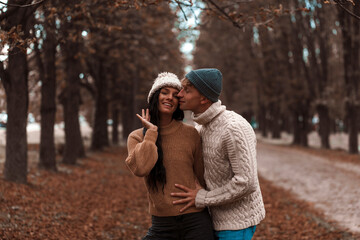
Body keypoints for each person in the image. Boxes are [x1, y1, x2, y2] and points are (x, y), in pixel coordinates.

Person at [170, 68, 265, 240]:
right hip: (210, 220)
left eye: (187, 90)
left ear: (204, 98)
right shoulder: (200, 128)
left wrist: (203, 198)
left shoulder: (233, 127)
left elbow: (246, 182)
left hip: (237, 223)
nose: (179, 94)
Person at [125, 72, 214, 240]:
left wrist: (202, 194)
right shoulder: (137, 137)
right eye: (165, 92)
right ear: (155, 97)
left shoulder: (191, 133)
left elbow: (202, 174)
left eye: (175, 95)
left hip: (195, 220)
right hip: (161, 225)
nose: (170, 98)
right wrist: (151, 133)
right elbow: (141, 169)